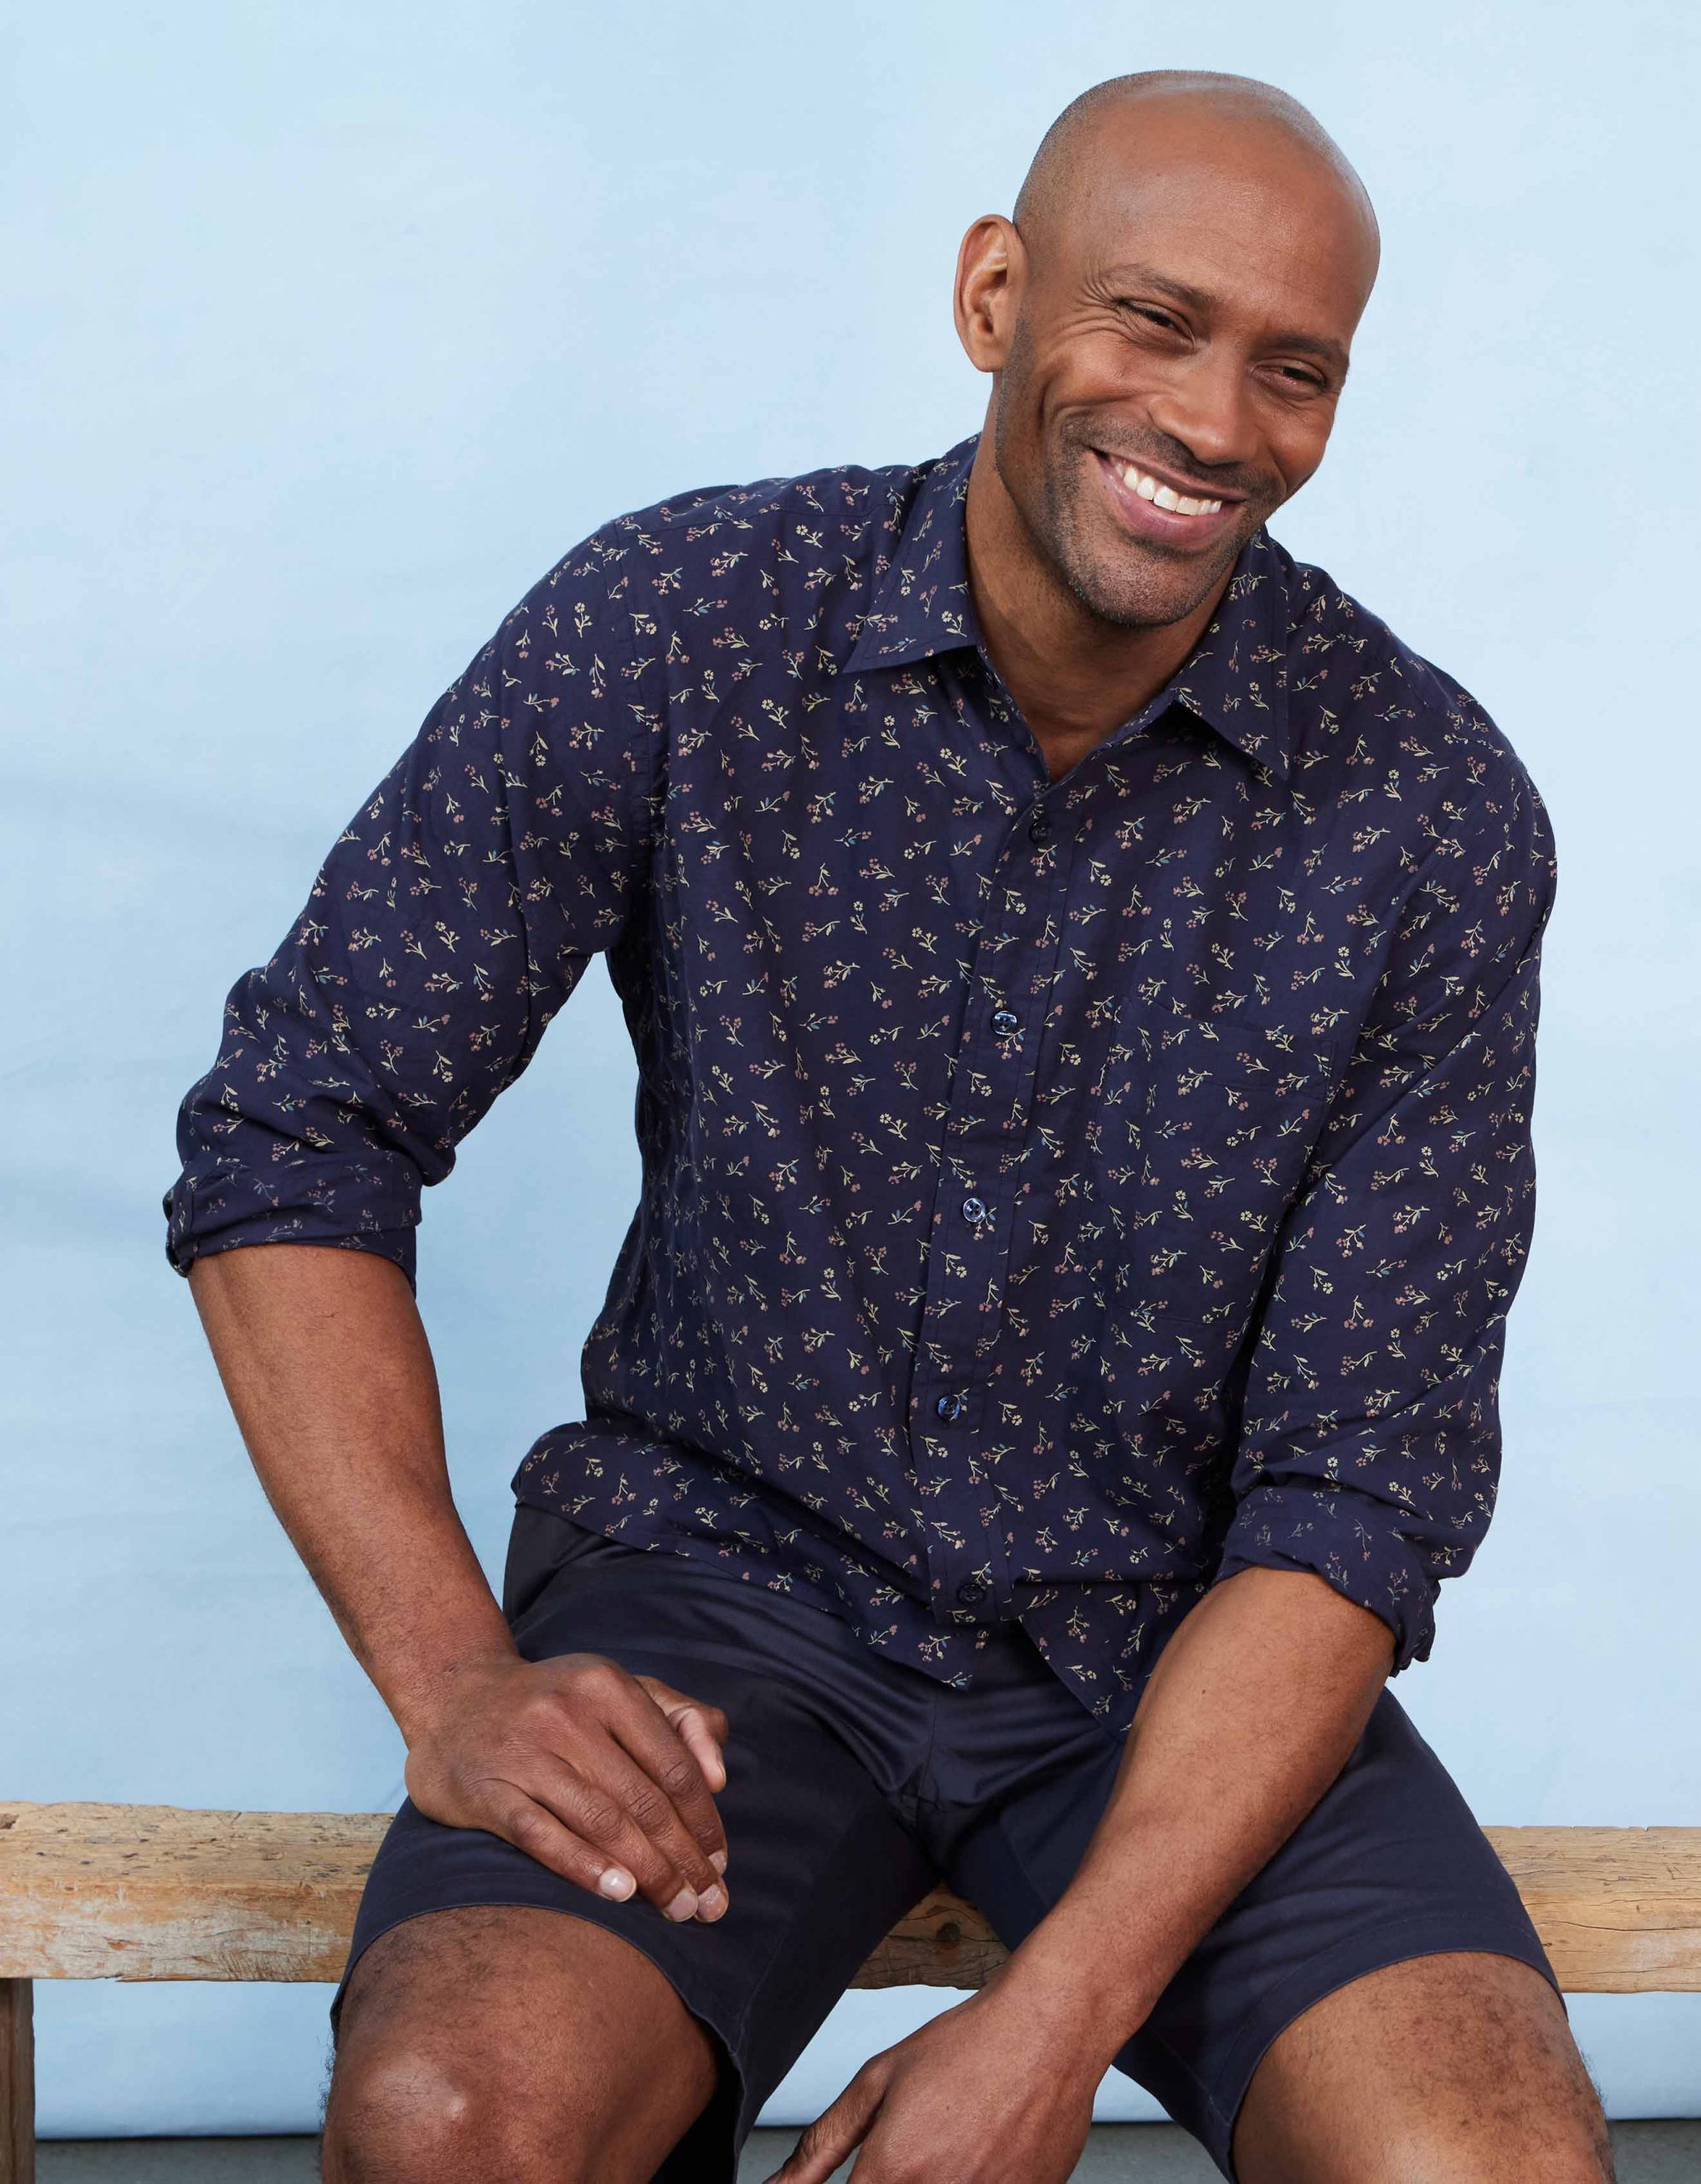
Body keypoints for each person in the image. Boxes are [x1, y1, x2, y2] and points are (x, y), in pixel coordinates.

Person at [164, 67, 1614, 2184]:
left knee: (1486, 2165)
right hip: (716, 1598)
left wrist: (1053, 2015)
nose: (1213, 420)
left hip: (1176, 1657)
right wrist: (451, 1674)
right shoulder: (682, 621)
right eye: (1153, 321)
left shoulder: (1429, 812)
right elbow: (299, 1126)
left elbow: (1358, 1491)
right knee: (452, 2115)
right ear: (993, 296)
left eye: (1292, 368)